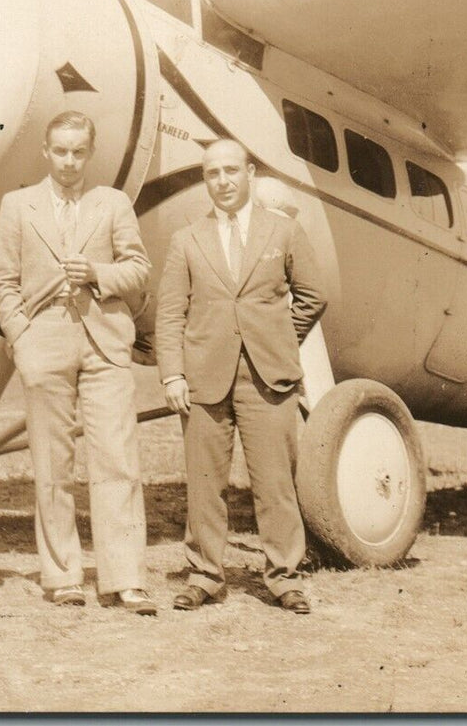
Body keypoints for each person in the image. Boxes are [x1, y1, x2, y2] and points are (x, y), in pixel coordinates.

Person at [0, 111, 156, 615]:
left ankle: (125, 579)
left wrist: (99, 272)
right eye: (59, 150)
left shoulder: (113, 203)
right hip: (45, 344)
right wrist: (22, 340)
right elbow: (2, 283)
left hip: (104, 344)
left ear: (90, 153)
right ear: (45, 150)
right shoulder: (17, 206)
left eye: (77, 152)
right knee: (52, 465)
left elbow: (140, 269)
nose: (68, 161)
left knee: (118, 461)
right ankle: (62, 576)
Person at [156, 138, 326, 614]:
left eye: (232, 170)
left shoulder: (283, 231)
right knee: (205, 483)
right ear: (205, 180)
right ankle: (205, 574)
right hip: (204, 379)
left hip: (268, 378)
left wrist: (275, 337)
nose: (223, 181)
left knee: (274, 482)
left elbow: (312, 295)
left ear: (250, 172)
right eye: (213, 173)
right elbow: (169, 314)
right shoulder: (186, 239)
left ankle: (284, 577)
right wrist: (173, 375)